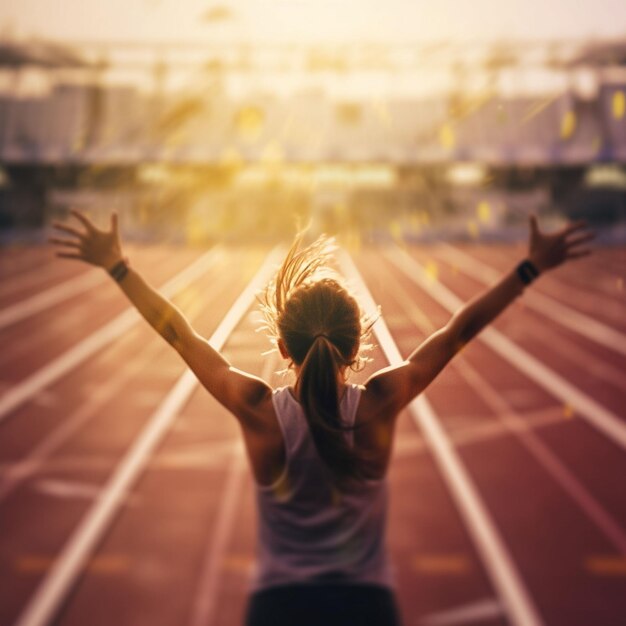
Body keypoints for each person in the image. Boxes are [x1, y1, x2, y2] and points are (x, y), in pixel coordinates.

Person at [50, 210, 593, 626]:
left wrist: (119, 267)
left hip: (279, 606)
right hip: (366, 604)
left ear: (284, 347)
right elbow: (456, 333)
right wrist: (529, 268)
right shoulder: (378, 401)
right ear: (357, 348)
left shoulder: (260, 411)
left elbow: (179, 335)